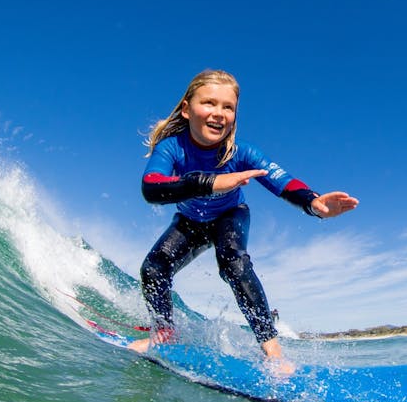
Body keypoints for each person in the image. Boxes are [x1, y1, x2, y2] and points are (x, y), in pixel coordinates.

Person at [128, 69, 358, 369]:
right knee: (153, 268)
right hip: (189, 221)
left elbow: (280, 179)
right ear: (186, 109)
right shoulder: (172, 147)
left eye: (228, 107)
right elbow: (152, 187)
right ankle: (164, 335)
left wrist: (312, 203)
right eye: (209, 103)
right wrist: (209, 182)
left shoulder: (241, 152)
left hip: (229, 215)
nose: (219, 113)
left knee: (234, 264)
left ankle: (274, 353)